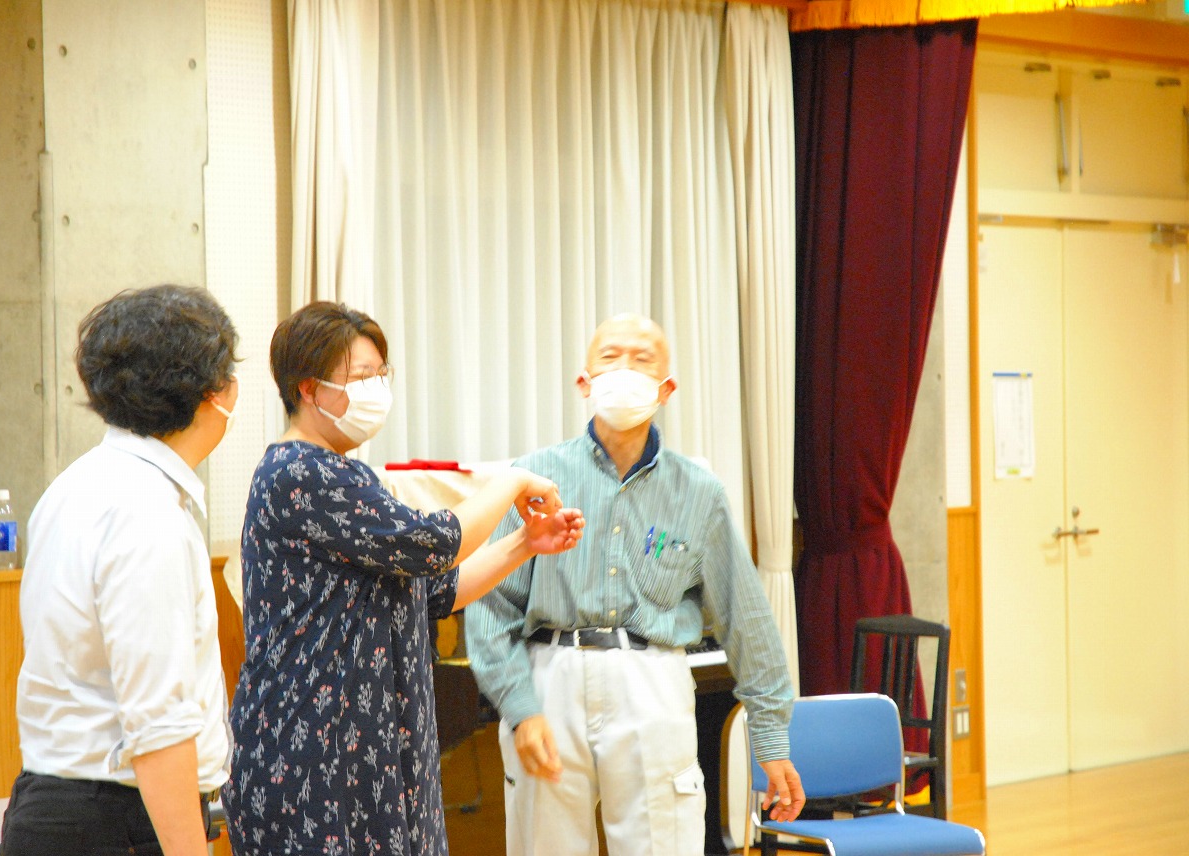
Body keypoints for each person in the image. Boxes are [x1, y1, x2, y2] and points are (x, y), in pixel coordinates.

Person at [221, 301, 585, 856]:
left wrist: (525, 543)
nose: (376, 389)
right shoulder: (299, 471)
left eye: (381, 375)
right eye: (360, 377)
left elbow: (437, 589)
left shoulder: (348, 473)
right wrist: (509, 482)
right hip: (313, 751)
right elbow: (433, 543)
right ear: (309, 389)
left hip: (373, 747)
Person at [465, 313, 805, 856]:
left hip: (652, 681)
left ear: (666, 389)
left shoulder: (699, 492)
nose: (624, 368)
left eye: (642, 359)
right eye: (610, 357)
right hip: (550, 677)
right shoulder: (533, 478)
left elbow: (746, 618)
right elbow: (490, 608)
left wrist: (771, 735)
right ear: (584, 382)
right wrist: (520, 707)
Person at [1, 285, 240, 856]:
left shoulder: (78, 484)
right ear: (213, 392)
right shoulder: (146, 512)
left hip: (69, 806)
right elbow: (158, 724)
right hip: (116, 817)